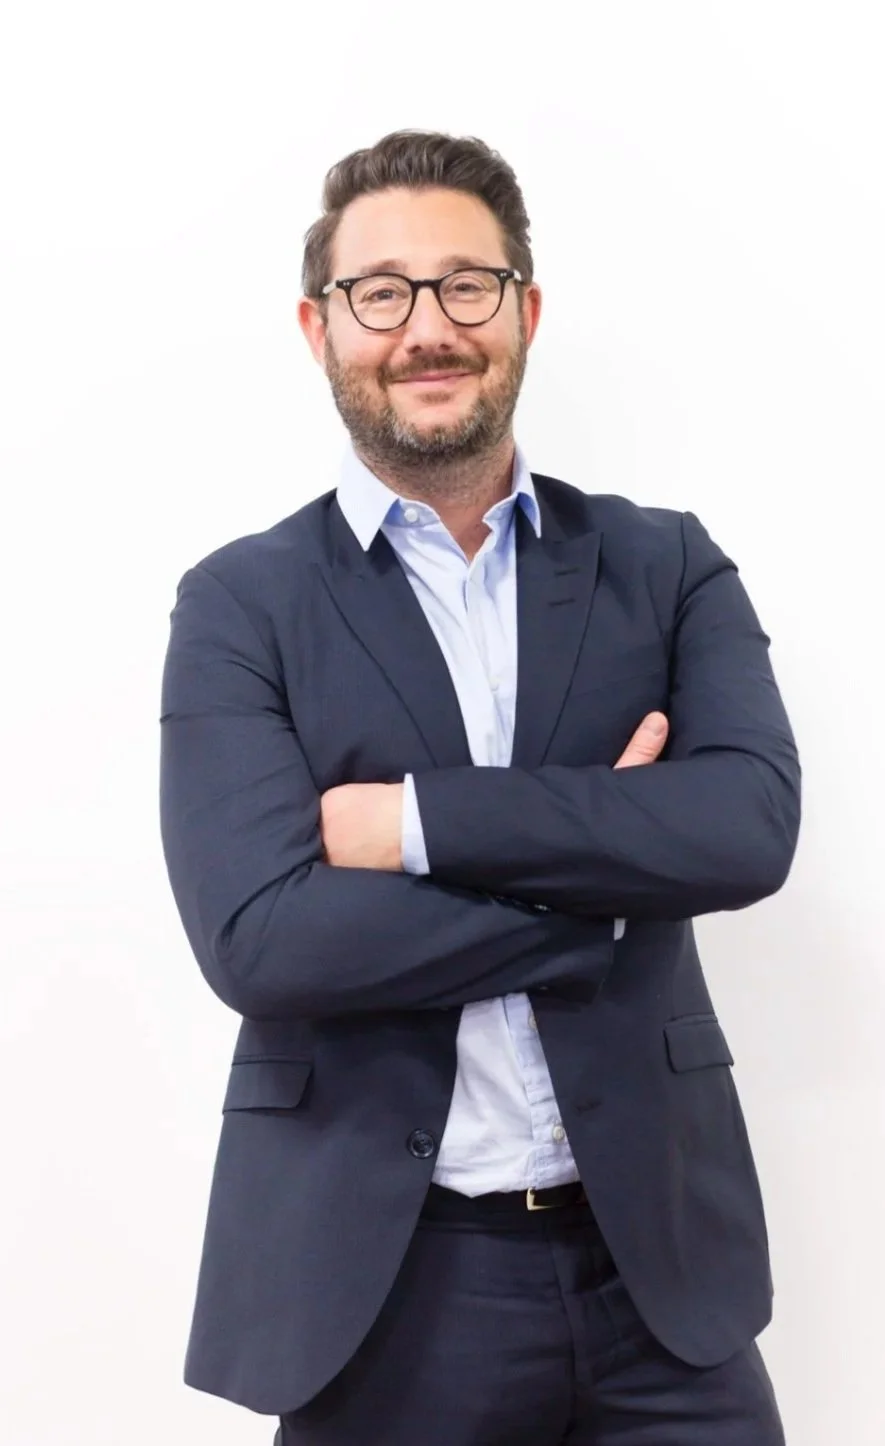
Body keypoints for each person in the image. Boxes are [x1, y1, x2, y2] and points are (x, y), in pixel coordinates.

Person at [159, 129, 800, 1445]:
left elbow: (744, 826)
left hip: (660, 1283)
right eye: (380, 291)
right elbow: (263, 937)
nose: (427, 327)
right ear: (318, 326)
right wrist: (607, 881)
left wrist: (415, 826)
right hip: (388, 1288)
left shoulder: (664, 566)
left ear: (525, 309)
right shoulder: (243, 604)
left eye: (467, 285)